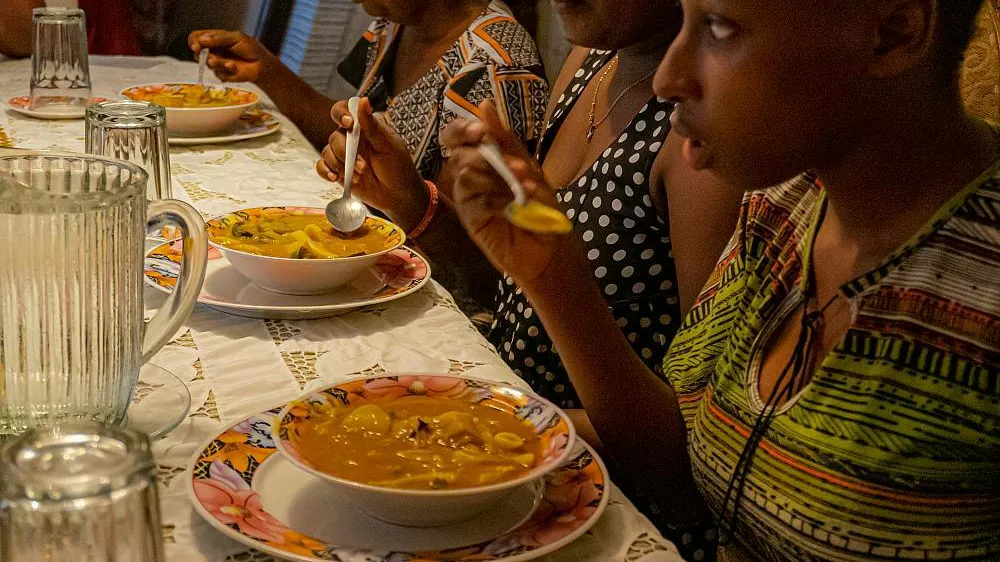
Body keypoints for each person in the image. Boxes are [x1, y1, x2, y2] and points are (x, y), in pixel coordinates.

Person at [443, 0, 1000, 560]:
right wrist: (551, 274)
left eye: (718, 28)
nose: (668, 78)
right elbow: (683, 477)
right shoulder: (781, 206)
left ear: (893, 31)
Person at [317, 0, 739, 414]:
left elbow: (687, 430)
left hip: (558, 431)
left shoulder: (701, 141)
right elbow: (513, 293)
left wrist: (489, 415)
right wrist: (408, 199)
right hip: (501, 378)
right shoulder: (592, 58)